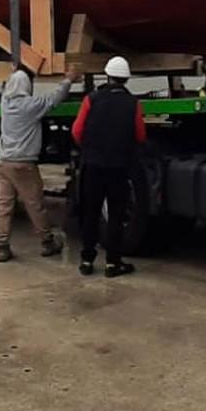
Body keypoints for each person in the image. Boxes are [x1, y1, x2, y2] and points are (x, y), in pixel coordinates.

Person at [71, 56, 145, 278]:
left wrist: (90, 148)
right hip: (119, 167)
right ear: (126, 79)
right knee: (115, 214)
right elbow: (140, 136)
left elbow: (76, 131)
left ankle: (86, 260)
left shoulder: (91, 100)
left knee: (90, 212)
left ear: (107, 75)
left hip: (93, 165)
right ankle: (113, 263)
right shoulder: (134, 104)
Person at [0, 64, 70, 262]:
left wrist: (14, 72)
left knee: (4, 205)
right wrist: (68, 80)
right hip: (24, 164)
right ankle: (47, 242)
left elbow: (7, 87)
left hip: (4, 163)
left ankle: (3, 246)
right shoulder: (30, 106)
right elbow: (54, 99)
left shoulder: (5, 102)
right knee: (35, 204)